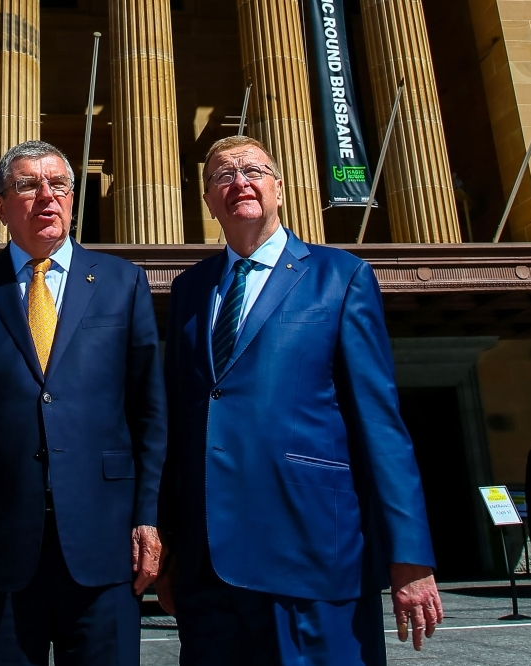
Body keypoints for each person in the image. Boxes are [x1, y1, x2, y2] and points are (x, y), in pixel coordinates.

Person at [157, 135, 443, 665]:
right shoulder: (189, 290)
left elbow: (379, 425)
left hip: (311, 557)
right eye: (222, 175)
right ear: (207, 199)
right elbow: (182, 424)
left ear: (280, 188)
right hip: (209, 568)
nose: (238, 182)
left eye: (253, 171)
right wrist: (173, 547)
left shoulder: (341, 275)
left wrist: (409, 556)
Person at [0, 140, 167, 665]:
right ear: (1, 205)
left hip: (106, 543)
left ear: (74, 199)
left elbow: (150, 414)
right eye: (27, 185)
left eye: (59, 185)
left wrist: (148, 516)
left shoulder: (123, 282)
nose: (46, 196)